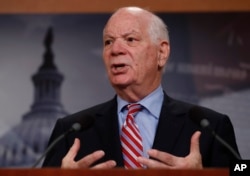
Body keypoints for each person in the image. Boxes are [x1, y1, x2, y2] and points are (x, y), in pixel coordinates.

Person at [42, 6, 240, 169]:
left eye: (130, 39)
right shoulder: (70, 131)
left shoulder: (211, 126)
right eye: (108, 42)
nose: (115, 50)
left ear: (161, 53)